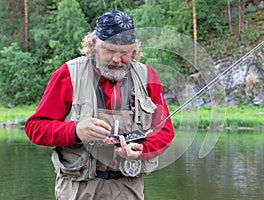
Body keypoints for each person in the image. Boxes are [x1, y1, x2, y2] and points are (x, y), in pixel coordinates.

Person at [25, 10, 174, 200]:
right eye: (109, 50)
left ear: (134, 50)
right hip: (78, 188)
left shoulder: (148, 76)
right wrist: (76, 131)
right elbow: (35, 128)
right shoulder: (68, 74)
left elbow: (165, 132)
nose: (117, 59)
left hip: (128, 188)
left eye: (125, 52)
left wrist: (142, 150)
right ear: (94, 44)